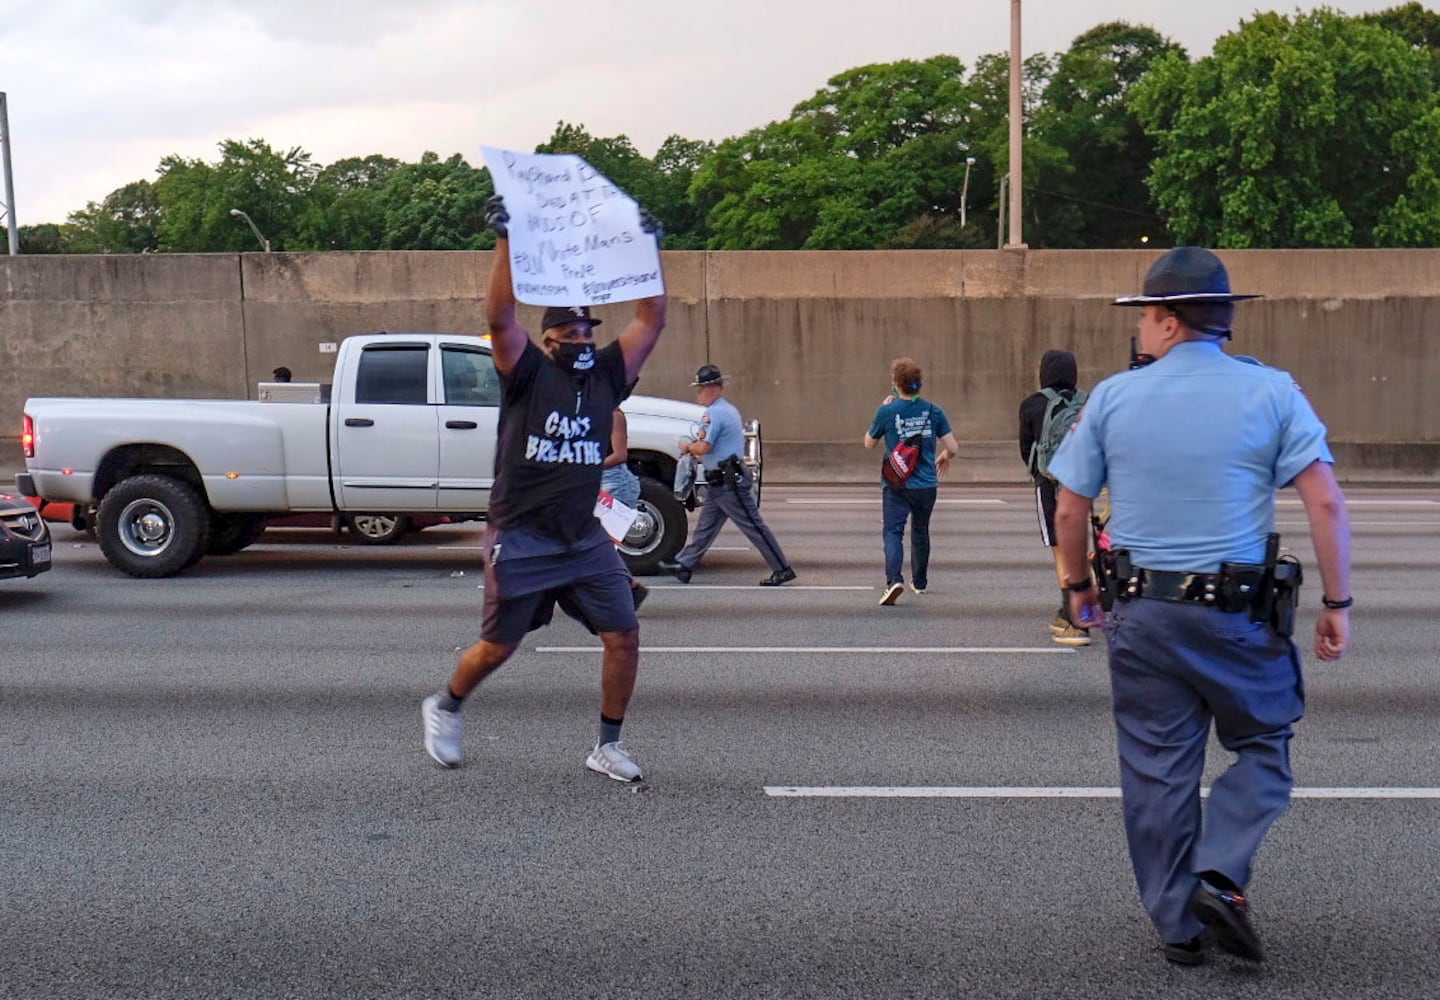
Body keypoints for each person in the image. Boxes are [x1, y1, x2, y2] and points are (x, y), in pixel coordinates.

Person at [1049, 246, 1352, 967]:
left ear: (1162, 320)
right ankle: (1219, 867)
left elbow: (1069, 508)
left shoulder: (1114, 398)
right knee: (1265, 744)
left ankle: (1180, 929)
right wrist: (1337, 602)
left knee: (1157, 771)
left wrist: (1078, 589)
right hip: (1237, 614)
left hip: (1143, 613)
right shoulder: (1274, 391)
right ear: (1223, 320)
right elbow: (1326, 503)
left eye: (1146, 319)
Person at [420, 194, 666, 783]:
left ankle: (606, 745)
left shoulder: (608, 374)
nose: (583, 337)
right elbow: (500, 319)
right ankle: (445, 705)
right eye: (571, 330)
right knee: (498, 647)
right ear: (549, 338)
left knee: (624, 636)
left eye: (589, 329)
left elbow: (651, 318)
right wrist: (505, 238)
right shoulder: (528, 373)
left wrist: (647, 247)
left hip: (581, 538)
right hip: (523, 536)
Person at [658, 365, 796, 586]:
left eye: (701, 388)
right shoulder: (728, 409)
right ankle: (684, 565)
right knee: (705, 527)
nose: (698, 394)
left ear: (713, 388)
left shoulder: (714, 414)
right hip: (721, 480)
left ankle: (782, 568)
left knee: (753, 526)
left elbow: (703, 447)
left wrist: (687, 446)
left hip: (728, 481)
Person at [863, 358, 958, 605]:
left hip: (897, 484)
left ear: (896, 384)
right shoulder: (933, 410)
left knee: (893, 531)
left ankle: (894, 580)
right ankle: (920, 582)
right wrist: (944, 457)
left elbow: (869, 443)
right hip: (927, 485)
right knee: (921, 530)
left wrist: (882, 409)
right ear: (920, 384)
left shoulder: (887, 411)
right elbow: (953, 447)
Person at [1018, 349, 1090, 644]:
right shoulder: (1088, 401)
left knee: (1061, 550)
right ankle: (1070, 609)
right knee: (1079, 543)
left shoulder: (1033, 404)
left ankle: (1077, 620)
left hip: (1048, 483)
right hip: (1083, 483)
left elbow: (1027, 449)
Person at [600, 395, 649, 610]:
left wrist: (591, 466)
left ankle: (627, 591)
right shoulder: (598, 413)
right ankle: (627, 590)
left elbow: (620, 455)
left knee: (603, 545)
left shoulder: (615, 416)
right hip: (603, 482)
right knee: (601, 545)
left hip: (615, 483)